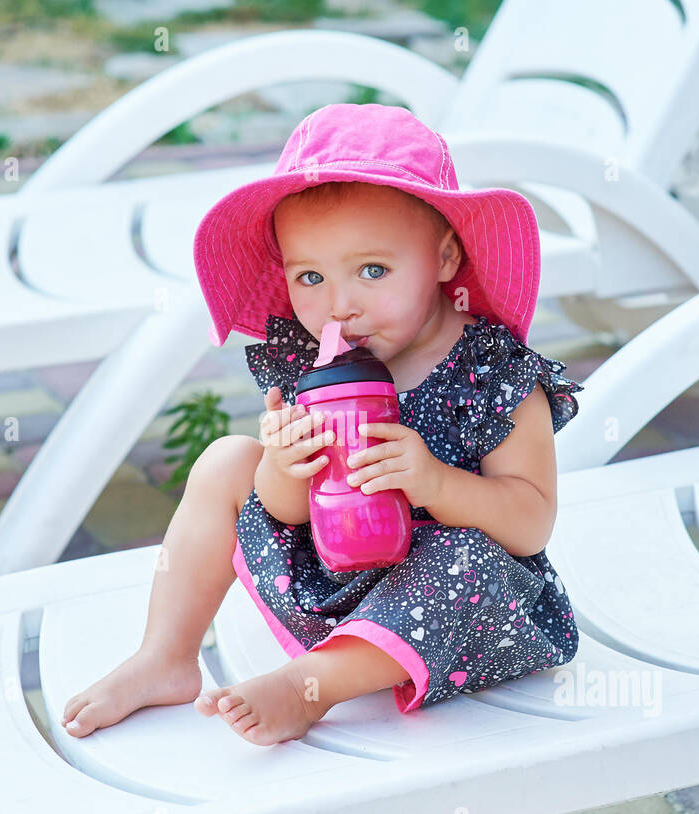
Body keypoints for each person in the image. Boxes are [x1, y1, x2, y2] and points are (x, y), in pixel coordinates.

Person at [61, 102, 584, 746]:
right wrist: (284, 470)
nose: (340, 305)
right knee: (228, 458)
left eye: (373, 271)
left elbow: (532, 524)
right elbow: (284, 512)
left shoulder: (490, 373)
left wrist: (437, 484)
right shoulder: (314, 364)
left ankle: (315, 685)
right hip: (336, 586)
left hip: (463, 608)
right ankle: (164, 655)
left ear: (445, 259)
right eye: (310, 277)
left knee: (465, 555)